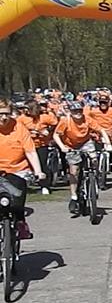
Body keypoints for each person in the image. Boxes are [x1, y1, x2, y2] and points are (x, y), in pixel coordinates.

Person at [54, 101, 112, 216]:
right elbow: (56, 135)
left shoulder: (87, 119)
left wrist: (108, 143)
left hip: (85, 142)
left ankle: (94, 177)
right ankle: (74, 196)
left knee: (94, 158)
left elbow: (101, 130)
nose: (78, 113)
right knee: (74, 171)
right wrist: (62, 147)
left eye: (80, 111)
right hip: (71, 145)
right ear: (71, 112)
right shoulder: (65, 121)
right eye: (75, 111)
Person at [0, 98, 46, 239]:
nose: (4, 117)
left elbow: (30, 151)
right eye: (0, 114)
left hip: (18, 169)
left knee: (17, 197)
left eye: (7, 114)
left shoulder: (19, 128)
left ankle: (20, 222)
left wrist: (38, 171)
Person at [17, 100, 58, 195]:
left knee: (42, 164)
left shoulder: (44, 117)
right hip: (27, 145)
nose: (25, 111)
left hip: (41, 145)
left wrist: (48, 130)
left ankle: (45, 186)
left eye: (27, 109)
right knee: (26, 165)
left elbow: (56, 123)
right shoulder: (21, 119)